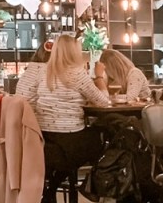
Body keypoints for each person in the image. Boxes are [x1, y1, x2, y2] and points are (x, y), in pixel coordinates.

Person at [21, 33, 110, 171]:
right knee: (103, 133)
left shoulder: (44, 72)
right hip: (70, 141)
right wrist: (99, 77)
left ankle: (57, 180)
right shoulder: (77, 73)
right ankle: (100, 176)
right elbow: (103, 102)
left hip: (43, 139)